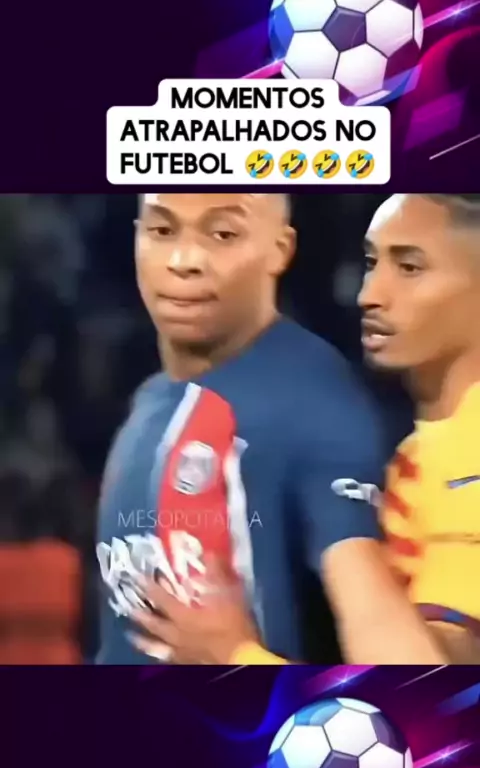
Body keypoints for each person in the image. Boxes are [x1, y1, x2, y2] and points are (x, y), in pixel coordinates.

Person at [96, 192, 444, 665]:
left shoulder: (310, 397)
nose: (184, 260)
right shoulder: (150, 402)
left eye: (223, 234)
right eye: (162, 230)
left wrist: (235, 657)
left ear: (280, 250)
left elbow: (380, 626)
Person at [360, 193, 480, 663]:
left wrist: (229, 650)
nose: (369, 294)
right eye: (372, 262)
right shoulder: (426, 446)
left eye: (409, 268)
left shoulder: (467, 450)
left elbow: (432, 675)